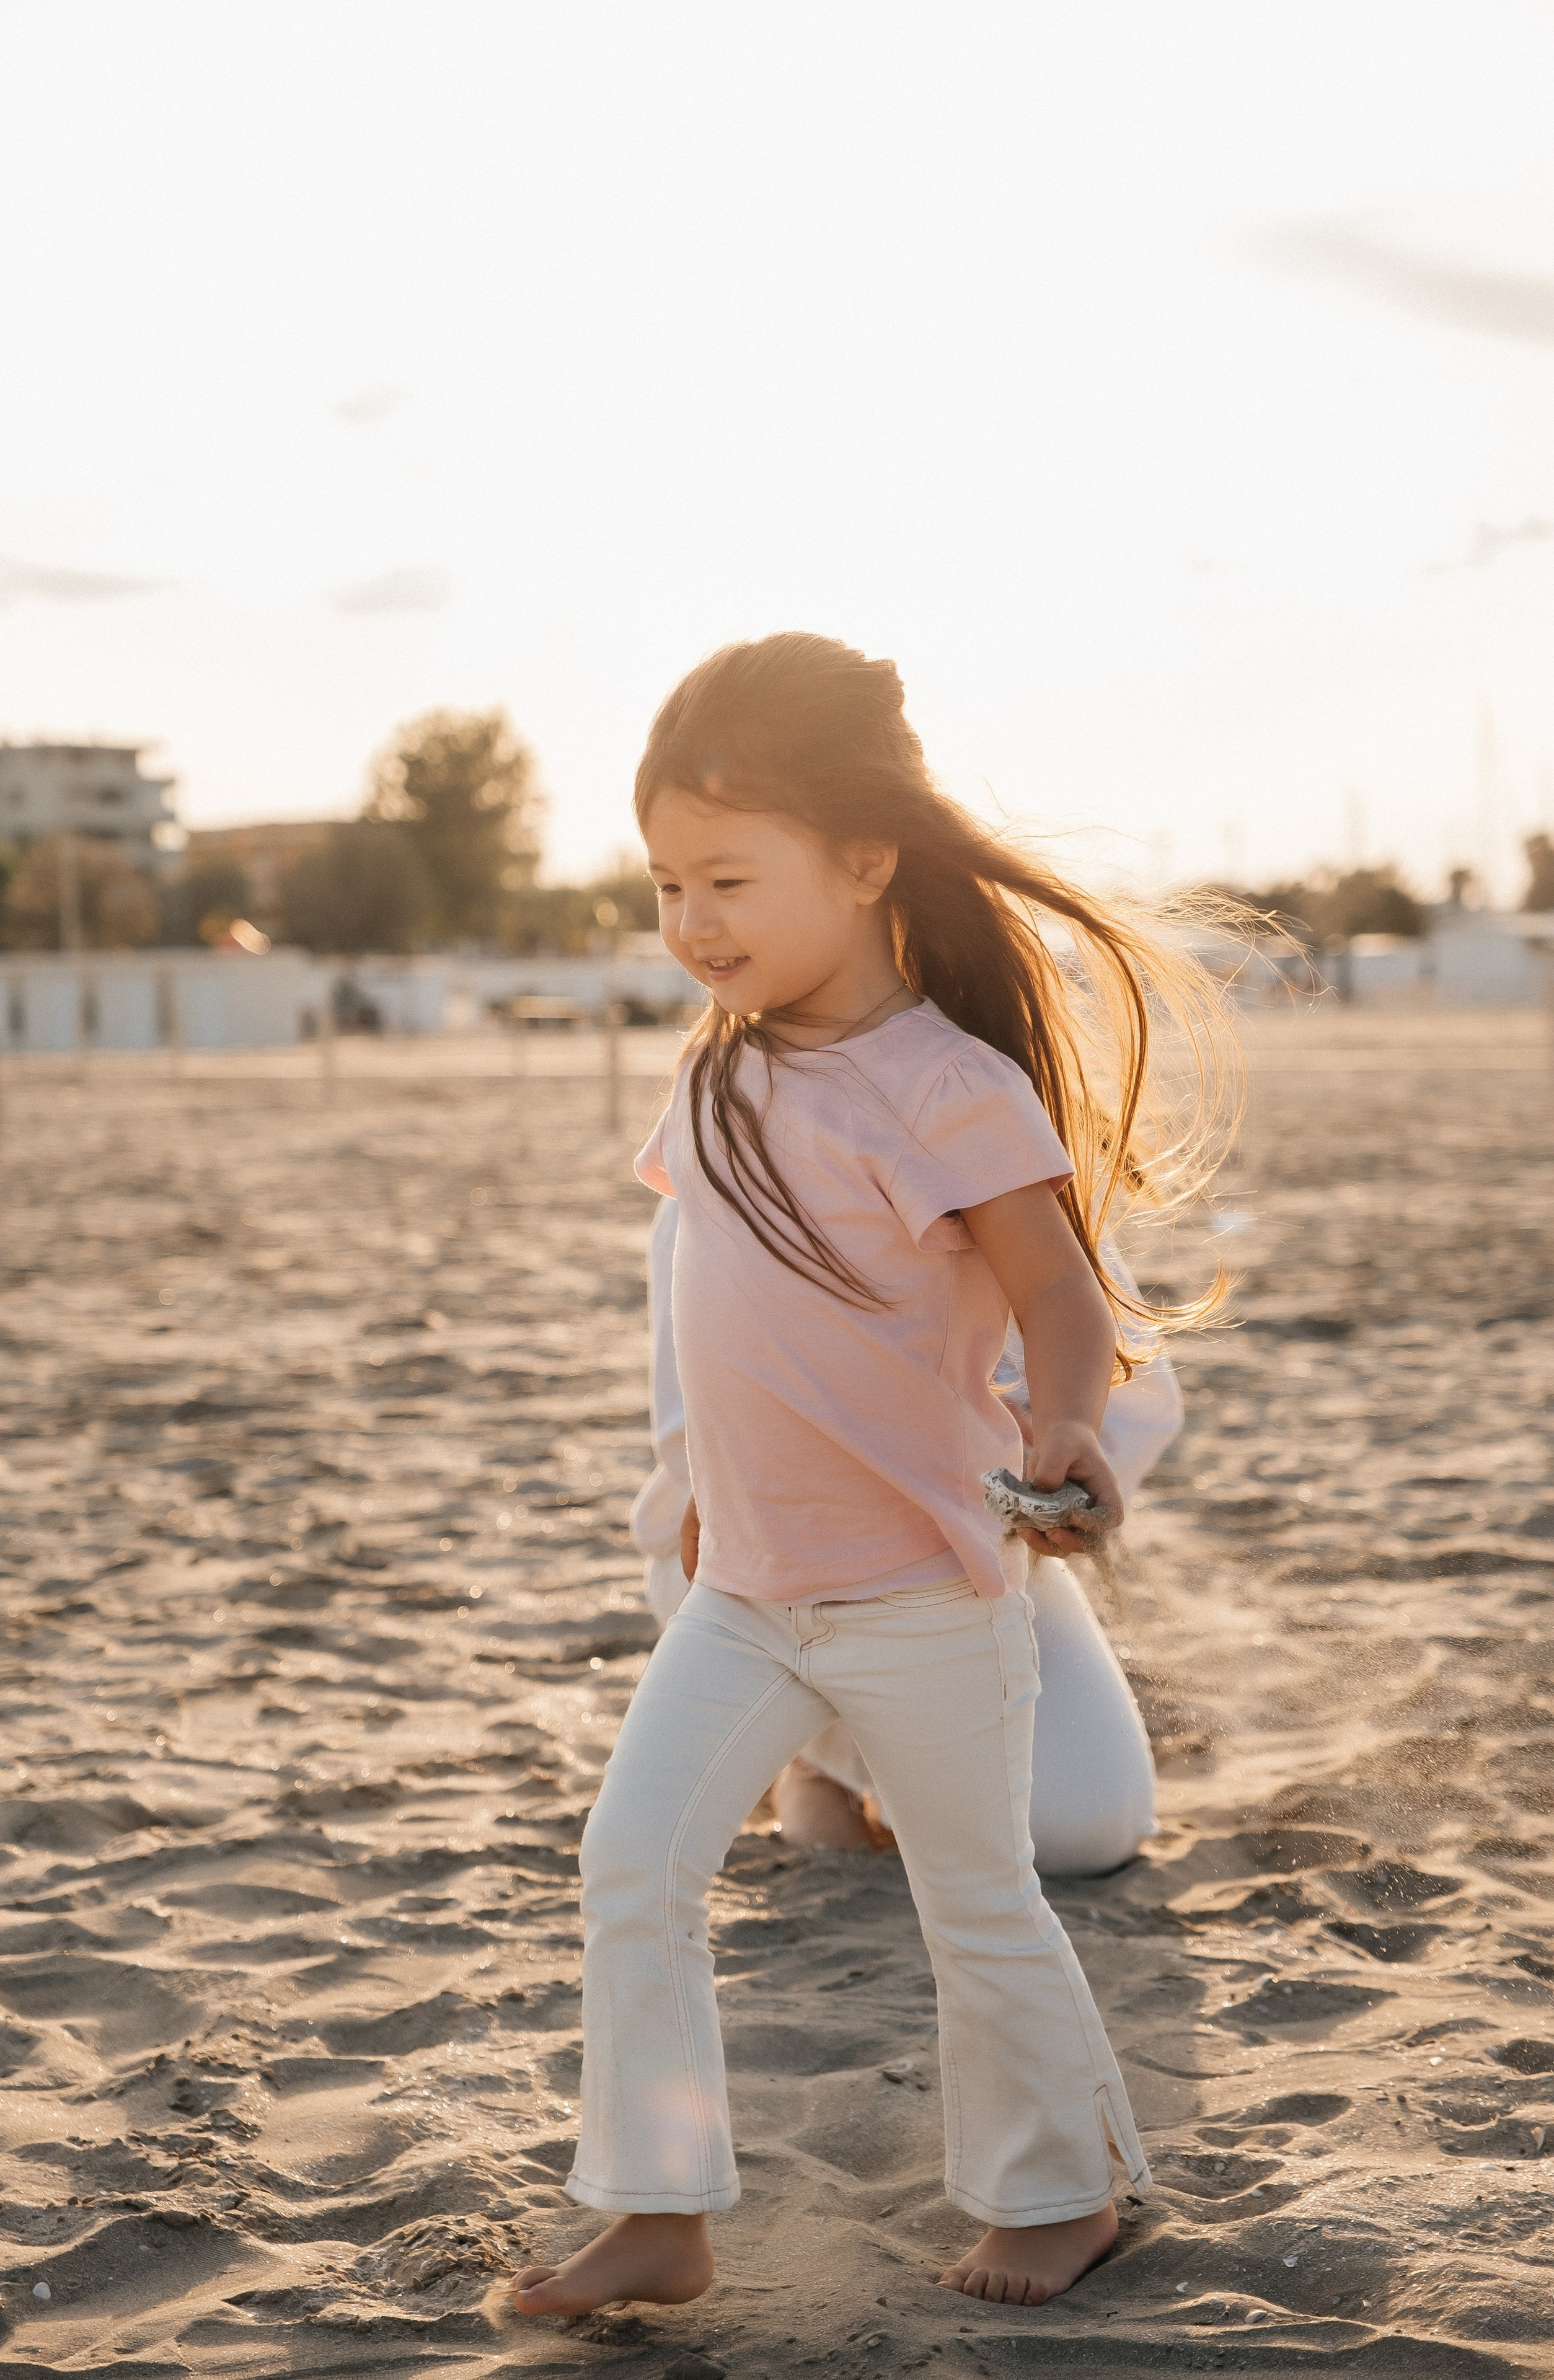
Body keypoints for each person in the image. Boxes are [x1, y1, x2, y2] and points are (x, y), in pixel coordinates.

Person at [506, 633, 1233, 2324]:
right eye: (667, 882)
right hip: (747, 1597)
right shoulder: (720, 1067)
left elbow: (1061, 1296)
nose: (692, 922)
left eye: (731, 879)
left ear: (864, 861)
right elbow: (716, 1298)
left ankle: (1062, 2198)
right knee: (636, 1867)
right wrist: (696, 1492)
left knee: (976, 1902)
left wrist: (1059, 1427)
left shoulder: (949, 1088)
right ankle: (659, 2208)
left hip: (921, 1595)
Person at [632, 1191, 1181, 1864]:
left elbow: (1137, 1400)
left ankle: (860, 1766)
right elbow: (696, 1445)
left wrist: (1054, 1464)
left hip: (979, 1565)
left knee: (1090, 1830)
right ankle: (820, 1760)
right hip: (775, 1570)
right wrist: (963, 1437)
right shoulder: (724, 1167)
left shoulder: (1007, 1153)